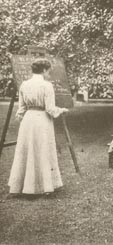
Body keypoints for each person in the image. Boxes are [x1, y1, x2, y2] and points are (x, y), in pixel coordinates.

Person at [8, 58, 69, 196]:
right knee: (43, 150)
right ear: (43, 70)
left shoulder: (24, 84)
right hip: (42, 120)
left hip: (28, 120)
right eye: (48, 71)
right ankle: (45, 186)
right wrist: (62, 110)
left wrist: (21, 118)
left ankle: (23, 186)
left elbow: (21, 108)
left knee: (27, 151)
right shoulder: (46, 86)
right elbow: (50, 109)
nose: (49, 74)